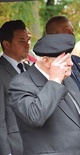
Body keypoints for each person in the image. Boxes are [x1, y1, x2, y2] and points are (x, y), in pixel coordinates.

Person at [8, 34, 80, 154]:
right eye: (64, 60)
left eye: (70, 58)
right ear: (46, 61)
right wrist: (54, 81)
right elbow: (35, 117)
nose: (71, 64)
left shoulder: (68, 80)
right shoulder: (20, 83)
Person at [0, 19, 30, 155]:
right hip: (14, 146)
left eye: (28, 40)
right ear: (6, 44)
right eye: (21, 41)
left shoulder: (30, 69)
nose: (27, 44)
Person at [45, 15, 80, 97]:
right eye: (66, 31)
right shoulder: (48, 65)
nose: (72, 35)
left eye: (72, 30)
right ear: (52, 36)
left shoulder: (79, 61)